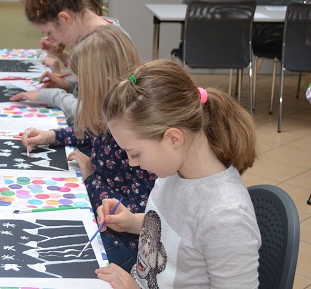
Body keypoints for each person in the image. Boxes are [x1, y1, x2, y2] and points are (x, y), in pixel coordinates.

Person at [95, 60, 260, 288]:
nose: (132, 163)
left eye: (135, 153)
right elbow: (177, 233)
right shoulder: (174, 172)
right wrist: (131, 222)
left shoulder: (226, 217)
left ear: (173, 138)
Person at [21, 25, 156, 271]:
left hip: (125, 246)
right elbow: (92, 132)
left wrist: (91, 179)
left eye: (82, 84)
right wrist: (51, 136)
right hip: (102, 220)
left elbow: (128, 214)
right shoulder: (114, 115)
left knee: (48, 252)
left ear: (104, 83)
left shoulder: (135, 136)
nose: (78, 91)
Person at [12, 0, 124, 121]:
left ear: (64, 18)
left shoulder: (103, 45)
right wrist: (66, 85)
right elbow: (87, 91)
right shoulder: (92, 35)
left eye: (49, 32)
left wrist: (51, 95)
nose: (50, 39)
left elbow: (95, 116)